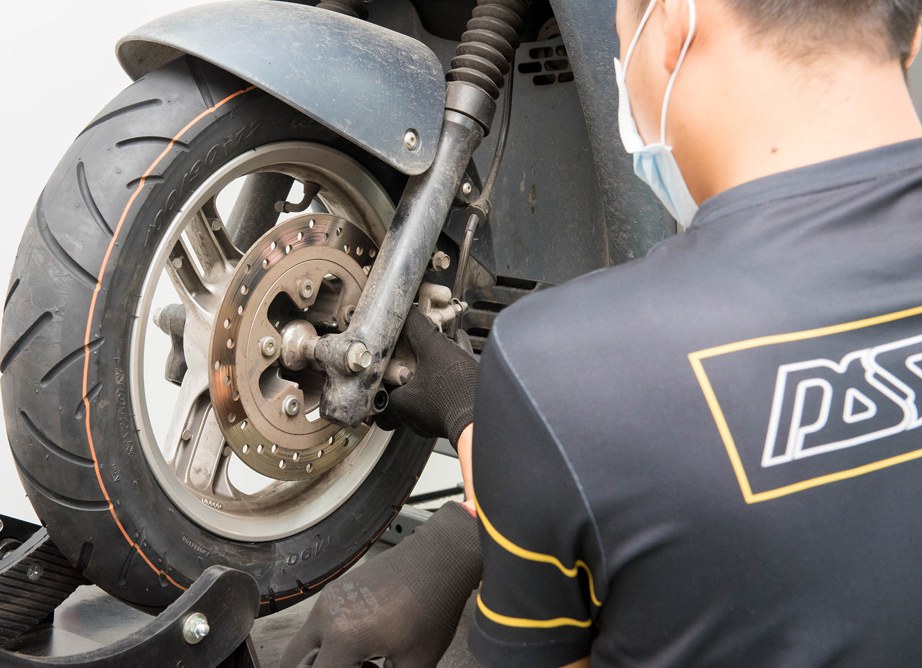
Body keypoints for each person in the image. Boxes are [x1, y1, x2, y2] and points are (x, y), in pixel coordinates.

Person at [281, 0, 922, 666]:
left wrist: (506, 465)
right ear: (910, 37)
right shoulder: (577, 374)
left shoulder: (568, 366)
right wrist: (481, 431)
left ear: (674, 20)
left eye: (621, 39)